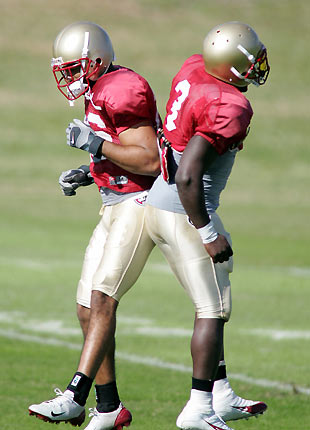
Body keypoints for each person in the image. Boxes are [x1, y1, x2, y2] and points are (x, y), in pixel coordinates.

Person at [28, 20, 267, 430]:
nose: (67, 76)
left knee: (185, 295)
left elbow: (155, 151)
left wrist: (95, 157)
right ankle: (140, 407)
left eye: (74, 66)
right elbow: (164, 162)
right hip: (162, 202)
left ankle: (87, 396)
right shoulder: (226, 102)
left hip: (148, 201)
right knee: (198, 307)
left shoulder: (157, 79)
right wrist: (95, 168)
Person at [145, 21, 270, 430]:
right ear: (232, 65)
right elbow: (187, 176)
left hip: (163, 204)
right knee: (212, 309)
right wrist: (208, 233)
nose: (257, 66)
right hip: (184, 209)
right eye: (251, 60)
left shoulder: (195, 68)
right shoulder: (228, 105)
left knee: (212, 298)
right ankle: (198, 409)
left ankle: (221, 394)